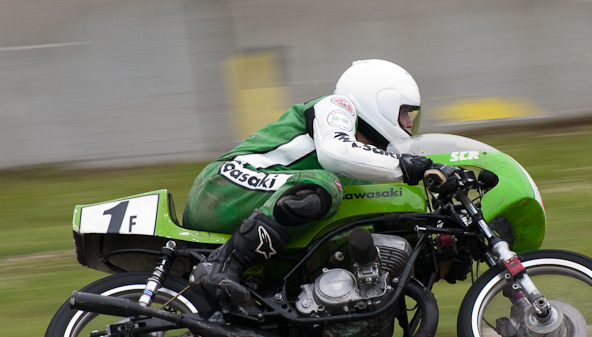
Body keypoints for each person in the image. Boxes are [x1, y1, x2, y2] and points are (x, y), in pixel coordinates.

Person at [183, 59, 456, 307]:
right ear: (376, 101)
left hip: (250, 196)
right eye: (405, 111)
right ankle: (222, 264)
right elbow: (336, 152)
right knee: (324, 187)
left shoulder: (364, 160)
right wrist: (404, 166)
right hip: (222, 187)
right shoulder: (336, 108)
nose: (409, 122)